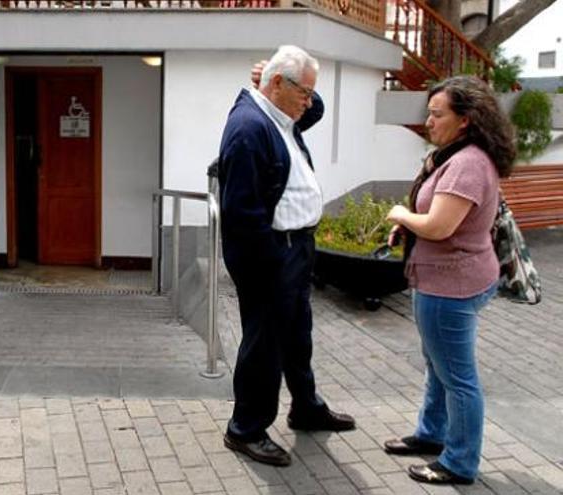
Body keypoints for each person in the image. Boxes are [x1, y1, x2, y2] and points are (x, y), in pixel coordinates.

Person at [218, 45, 355, 467]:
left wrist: (295, 88)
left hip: (297, 248)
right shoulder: (249, 128)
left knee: (297, 335)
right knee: (265, 343)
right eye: (305, 92)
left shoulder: (281, 116)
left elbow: (313, 111)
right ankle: (246, 429)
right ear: (277, 84)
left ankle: (305, 407)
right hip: (274, 254)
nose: (309, 103)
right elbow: (242, 213)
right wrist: (273, 263)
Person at [384, 76, 515, 485]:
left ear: (465, 119)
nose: (428, 121)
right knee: (439, 365)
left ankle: (459, 463)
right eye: (429, 112)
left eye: (437, 114)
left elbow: (440, 226)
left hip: (451, 285)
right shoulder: (459, 155)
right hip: (450, 277)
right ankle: (431, 434)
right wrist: (411, 228)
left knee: (457, 376)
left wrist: (400, 215)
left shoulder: (467, 163)